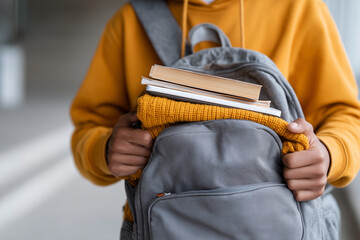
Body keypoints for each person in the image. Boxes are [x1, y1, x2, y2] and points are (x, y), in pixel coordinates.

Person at [71, 0, 360, 226]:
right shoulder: (129, 21)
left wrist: (328, 154)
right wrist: (107, 148)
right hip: (168, 224)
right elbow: (89, 126)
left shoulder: (300, 9)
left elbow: (345, 116)